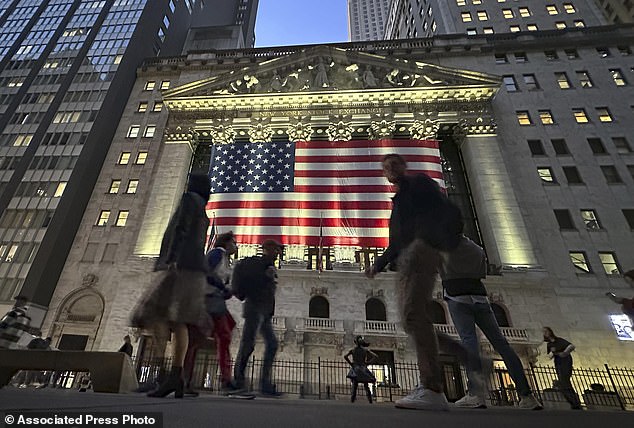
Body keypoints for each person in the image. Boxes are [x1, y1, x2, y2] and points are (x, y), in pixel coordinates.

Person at [366, 153, 462, 411]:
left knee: (414, 317)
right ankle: (459, 361)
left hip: (419, 252)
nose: (390, 169)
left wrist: (430, 240)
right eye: (386, 166)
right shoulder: (399, 199)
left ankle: (432, 387)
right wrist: (379, 263)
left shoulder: (419, 184)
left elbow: (445, 211)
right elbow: (397, 240)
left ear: (404, 165)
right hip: (407, 257)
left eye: (394, 164)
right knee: (412, 318)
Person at [131, 172, 211, 399]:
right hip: (195, 270)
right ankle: (176, 377)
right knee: (179, 322)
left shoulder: (189, 200)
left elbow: (180, 229)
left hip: (180, 266)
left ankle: (162, 372)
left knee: (151, 313)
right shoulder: (204, 212)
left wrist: (171, 259)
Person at [441, 235, 542, 410]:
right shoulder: (476, 248)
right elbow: (483, 272)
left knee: (469, 342)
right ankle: (527, 395)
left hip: (457, 297)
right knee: (502, 344)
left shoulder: (443, 246)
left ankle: (476, 394)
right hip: (480, 297)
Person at [182, 231, 238, 396]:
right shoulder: (216, 254)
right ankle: (226, 380)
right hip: (208, 299)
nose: (236, 246)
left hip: (215, 299)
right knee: (221, 334)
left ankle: (186, 379)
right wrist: (222, 287)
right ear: (226, 243)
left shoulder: (225, 259)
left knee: (221, 331)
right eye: (234, 242)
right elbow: (206, 273)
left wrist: (227, 291)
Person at [231, 239, 283, 396]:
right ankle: (238, 381)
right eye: (275, 250)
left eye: (279, 250)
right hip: (254, 308)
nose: (278, 253)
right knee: (248, 344)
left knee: (272, 344)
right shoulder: (256, 264)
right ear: (267, 249)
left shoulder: (269, 266)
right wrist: (263, 279)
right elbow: (253, 285)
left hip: (264, 312)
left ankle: (264, 384)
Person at [543, 327, 581, 409]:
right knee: (563, 382)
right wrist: (552, 353)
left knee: (565, 381)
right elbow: (549, 356)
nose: (544, 333)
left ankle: (574, 402)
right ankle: (573, 402)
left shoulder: (559, 340)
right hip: (558, 362)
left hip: (565, 360)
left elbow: (571, 346)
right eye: (543, 332)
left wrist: (564, 352)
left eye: (546, 331)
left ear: (550, 332)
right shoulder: (549, 344)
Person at [344, 336, 378, 404]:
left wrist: (351, 364)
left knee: (355, 385)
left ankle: (352, 400)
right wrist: (368, 363)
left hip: (356, 368)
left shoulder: (353, 350)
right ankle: (370, 400)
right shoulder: (365, 350)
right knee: (366, 385)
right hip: (363, 368)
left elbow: (345, 356)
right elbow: (375, 356)